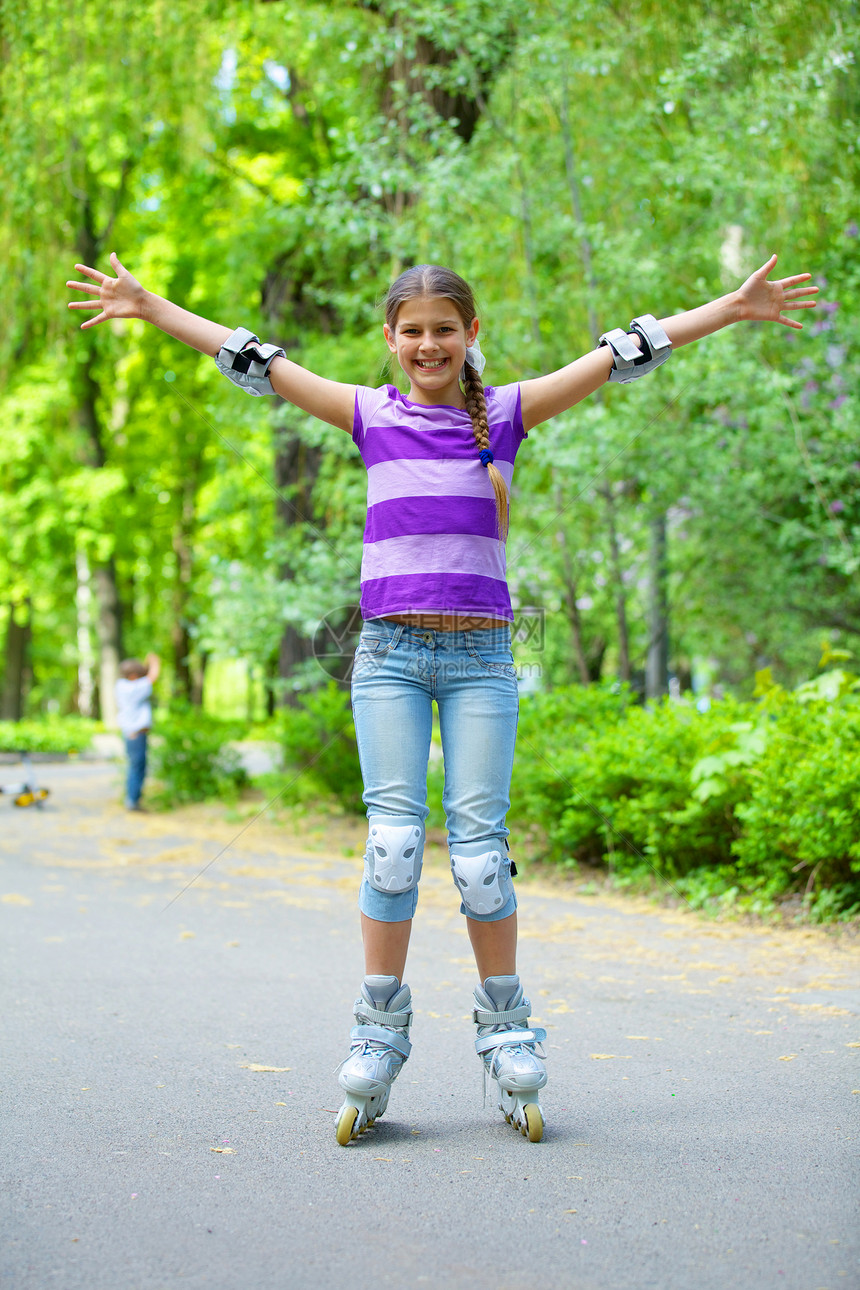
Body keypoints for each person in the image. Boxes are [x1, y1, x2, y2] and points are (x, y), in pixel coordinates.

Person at [68, 250, 817, 1143]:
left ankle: (506, 1032)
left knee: (479, 857)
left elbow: (619, 353)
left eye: (445, 330)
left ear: (471, 337)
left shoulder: (502, 414)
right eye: (413, 331)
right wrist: (152, 305)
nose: (429, 343)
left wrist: (726, 311)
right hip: (387, 655)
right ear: (390, 341)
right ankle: (377, 1032)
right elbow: (257, 360)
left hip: (479, 661)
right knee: (391, 847)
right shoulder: (367, 413)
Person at [115, 653, 160, 811]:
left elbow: (145, 678)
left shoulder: (122, 685)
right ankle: (133, 801)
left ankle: (133, 799)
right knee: (137, 767)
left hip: (132, 733)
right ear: (134, 676)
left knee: (136, 766)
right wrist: (154, 661)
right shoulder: (132, 688)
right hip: (136, 734)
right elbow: (152, 676)